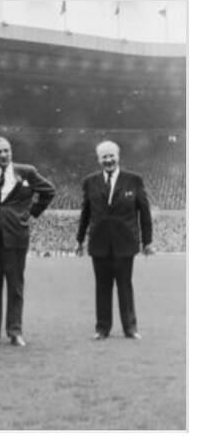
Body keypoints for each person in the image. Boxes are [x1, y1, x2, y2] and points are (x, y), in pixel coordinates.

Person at [0, 136, 56, 348]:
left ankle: (15, 332)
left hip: (16, 235)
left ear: (11, 151)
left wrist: (30, 213)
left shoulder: (27, 172)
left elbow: (49, 191)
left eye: (7, 150)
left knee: (15, 286)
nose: (4, 155)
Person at [76, 140, 154, 340]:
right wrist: (79, 240)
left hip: (125, 243)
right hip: (99, 242)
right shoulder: (90, 181)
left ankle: (130, 328)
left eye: (111, 156)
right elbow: (86, 212)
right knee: (102, 287)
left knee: (125, 286)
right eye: (104, 157)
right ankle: (102, 329)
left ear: (118, 157)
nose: (108, 160)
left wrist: (147, 241)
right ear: (99, 159)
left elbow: (144, 212)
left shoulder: (134, 180)